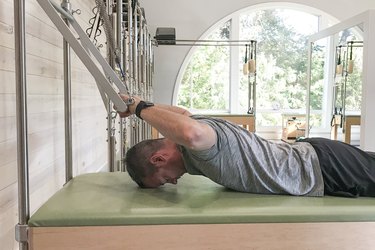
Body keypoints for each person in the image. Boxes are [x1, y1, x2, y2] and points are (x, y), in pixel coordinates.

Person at [117, 94, 375, 198]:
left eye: (164, 180)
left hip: (322, 167)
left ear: (159, 159)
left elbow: (189, 133)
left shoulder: (202, 147)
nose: (173, 183)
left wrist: (139, 109)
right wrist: (141, 103)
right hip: (319, 159)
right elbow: (183, 114)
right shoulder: (194, 143)